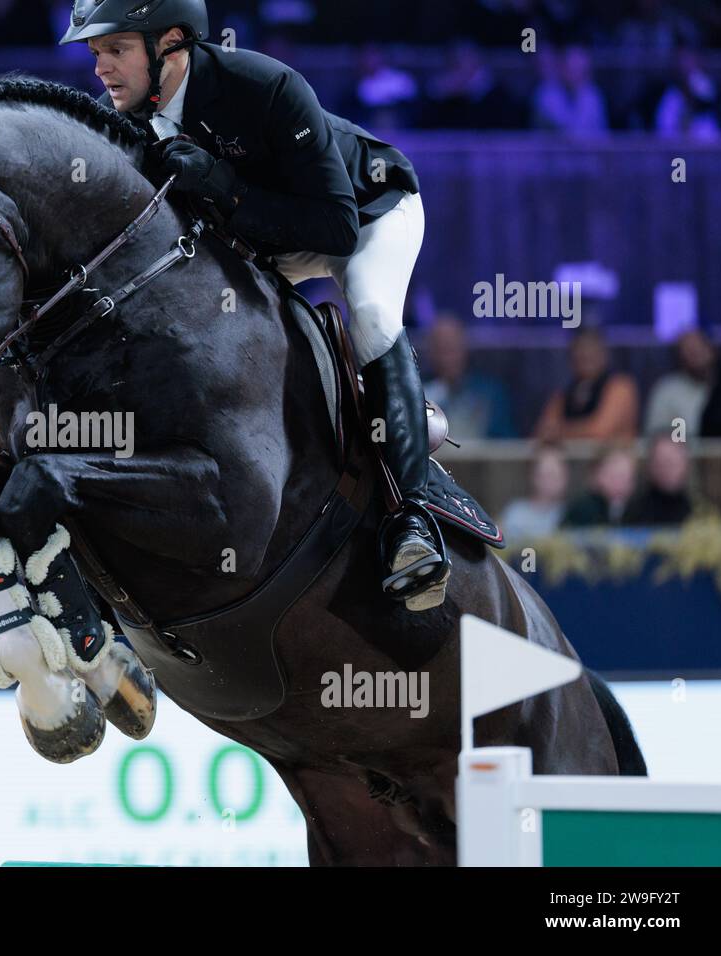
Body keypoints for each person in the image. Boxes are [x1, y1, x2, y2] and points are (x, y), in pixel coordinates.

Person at [62, 0, 447, 609]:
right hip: (266, 238)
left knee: (371, 315)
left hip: (366, 212)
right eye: (95, 54)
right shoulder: (134, 119)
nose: (101, 68)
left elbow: (335, 231)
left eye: (115, 50)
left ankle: (413, 519)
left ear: (170, 42)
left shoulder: (263, 85)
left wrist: (220, 183)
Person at [533, 328, 639, 443]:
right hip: (568, 459)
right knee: (548, 459)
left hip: (612, 457)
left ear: (604, 353)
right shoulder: (562, 396)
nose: (585, 354)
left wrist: (560, 431)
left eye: (591, 348)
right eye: (580, 349)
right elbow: (543, 432)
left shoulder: (620, 387)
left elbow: (600, 431)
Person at [422, 314, 516, 440]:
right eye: (442, 348)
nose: (448, 357)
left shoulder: (491, 393)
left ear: (464, 348)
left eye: (452, 347)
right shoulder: (419, 393)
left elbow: (507, 442)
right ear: (431, 353)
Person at [643, 329, 717, 438]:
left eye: (700, 347)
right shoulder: (667, 391)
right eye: (690, 351)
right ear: (679, 357)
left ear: (712, 350)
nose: (696, 354)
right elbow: (656, 437)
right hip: (683, 453)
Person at [499, 445, 570, 540]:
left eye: (558, 474)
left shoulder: (573, 513)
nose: (553, 481)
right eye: (548, 474)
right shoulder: (516, 513)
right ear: (533, 475)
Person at [623, 435, 695, 526]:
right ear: (650, 466)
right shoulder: (634, 511)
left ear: (686, 465)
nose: (666, 469)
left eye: (671, 463)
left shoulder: (701, 511)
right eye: (660, 462)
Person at [561, 444, 637, 528]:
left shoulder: (641, 508)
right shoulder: (582, 509)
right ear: (597, 475)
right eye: (613, 476)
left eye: (625, 477)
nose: (619, 483)